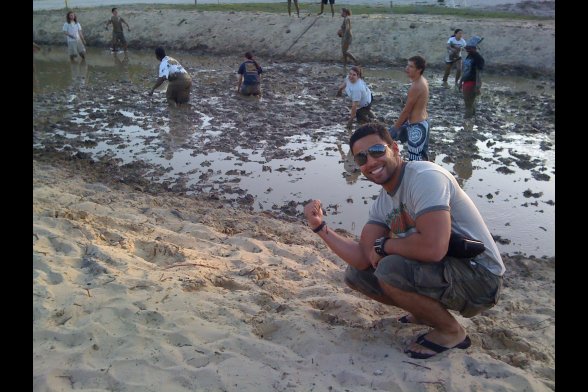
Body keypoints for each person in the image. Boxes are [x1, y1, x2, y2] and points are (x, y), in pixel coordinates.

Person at [303, 122, 505, 360]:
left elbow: (433, 248)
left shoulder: (425, 178)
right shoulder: (383, 202)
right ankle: (424, 313)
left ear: (395, 149)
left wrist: (384, 246)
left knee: (389, 268)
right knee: (357, 275)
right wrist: (320, 227)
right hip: (447, 271)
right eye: (361, 158)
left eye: (377, 151)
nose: (370, 162)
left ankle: (452, 332)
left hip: (481, 277)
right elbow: (361, 258)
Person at [388, 55, 430, 161]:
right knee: (423, 157)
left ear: (419, 69)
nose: (407, 69)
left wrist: (395, 128)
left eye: (411, 66)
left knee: (415, 160)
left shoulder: (416, 86)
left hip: (417, 127)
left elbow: (407, 111)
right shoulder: (422, 80)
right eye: (407, 65)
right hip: (423, 122)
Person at [458, 36, 485, 119]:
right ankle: (472, 121)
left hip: (472, 83)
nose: (467, 49)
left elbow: (478, 74)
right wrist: (461, 81)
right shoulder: (469, 56)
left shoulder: (478, 59)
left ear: (474, 48)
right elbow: (465, 70)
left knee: (468, 104)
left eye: (468, 48)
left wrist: (477, 86)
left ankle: (467, 123)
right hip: (466, 82)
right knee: (470, 103)